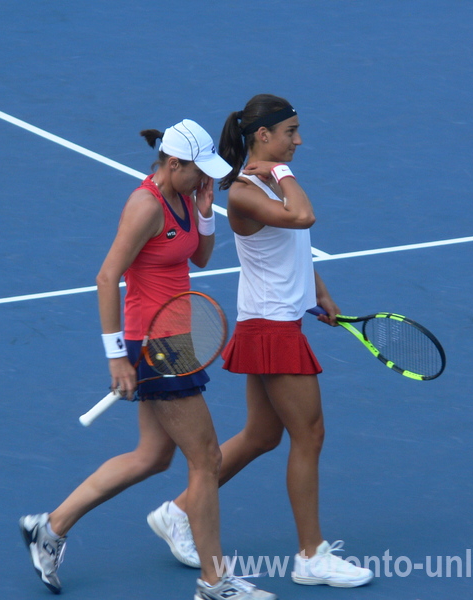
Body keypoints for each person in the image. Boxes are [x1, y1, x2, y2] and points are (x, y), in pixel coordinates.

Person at [19, 119, 276, 600]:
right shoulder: (144, 205)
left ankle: (49, 528)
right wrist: (117, 358)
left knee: (153, 456)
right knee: (206, 459)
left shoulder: (184, 195)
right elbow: (105, 277)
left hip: (175, 338)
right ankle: (215, 584)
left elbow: (198, 258)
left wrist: (204, 213)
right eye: (198, 172)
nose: (206, 181)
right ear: (172, 164)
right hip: (154, 344)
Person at [147, 96, 374, 588]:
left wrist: (320, 293)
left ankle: (179, 511)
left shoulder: (262, 185)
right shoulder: (247, 191)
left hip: (273, 320)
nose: (298, 140)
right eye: (290, 131)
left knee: (262, 435)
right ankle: (311, 556)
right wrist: (278, 171)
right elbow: (304, 217)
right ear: (263, 135)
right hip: (270, 327)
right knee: (309, 435)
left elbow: (294, 247)